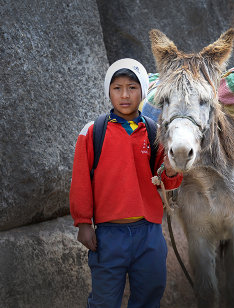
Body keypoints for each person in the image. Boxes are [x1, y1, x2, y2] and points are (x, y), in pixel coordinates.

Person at [69, 58, 182, 308]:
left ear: (142, 90)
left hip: (149, 235)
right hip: (109, 236)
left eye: (132, 87)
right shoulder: (93, 132)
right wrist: (83, 223)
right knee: (105, 301)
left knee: (149, 297)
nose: (124, 95)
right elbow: (80, 182)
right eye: (117, 88)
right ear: (108, 91)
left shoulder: (155, 133)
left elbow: (167, 181)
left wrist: (172, 170)